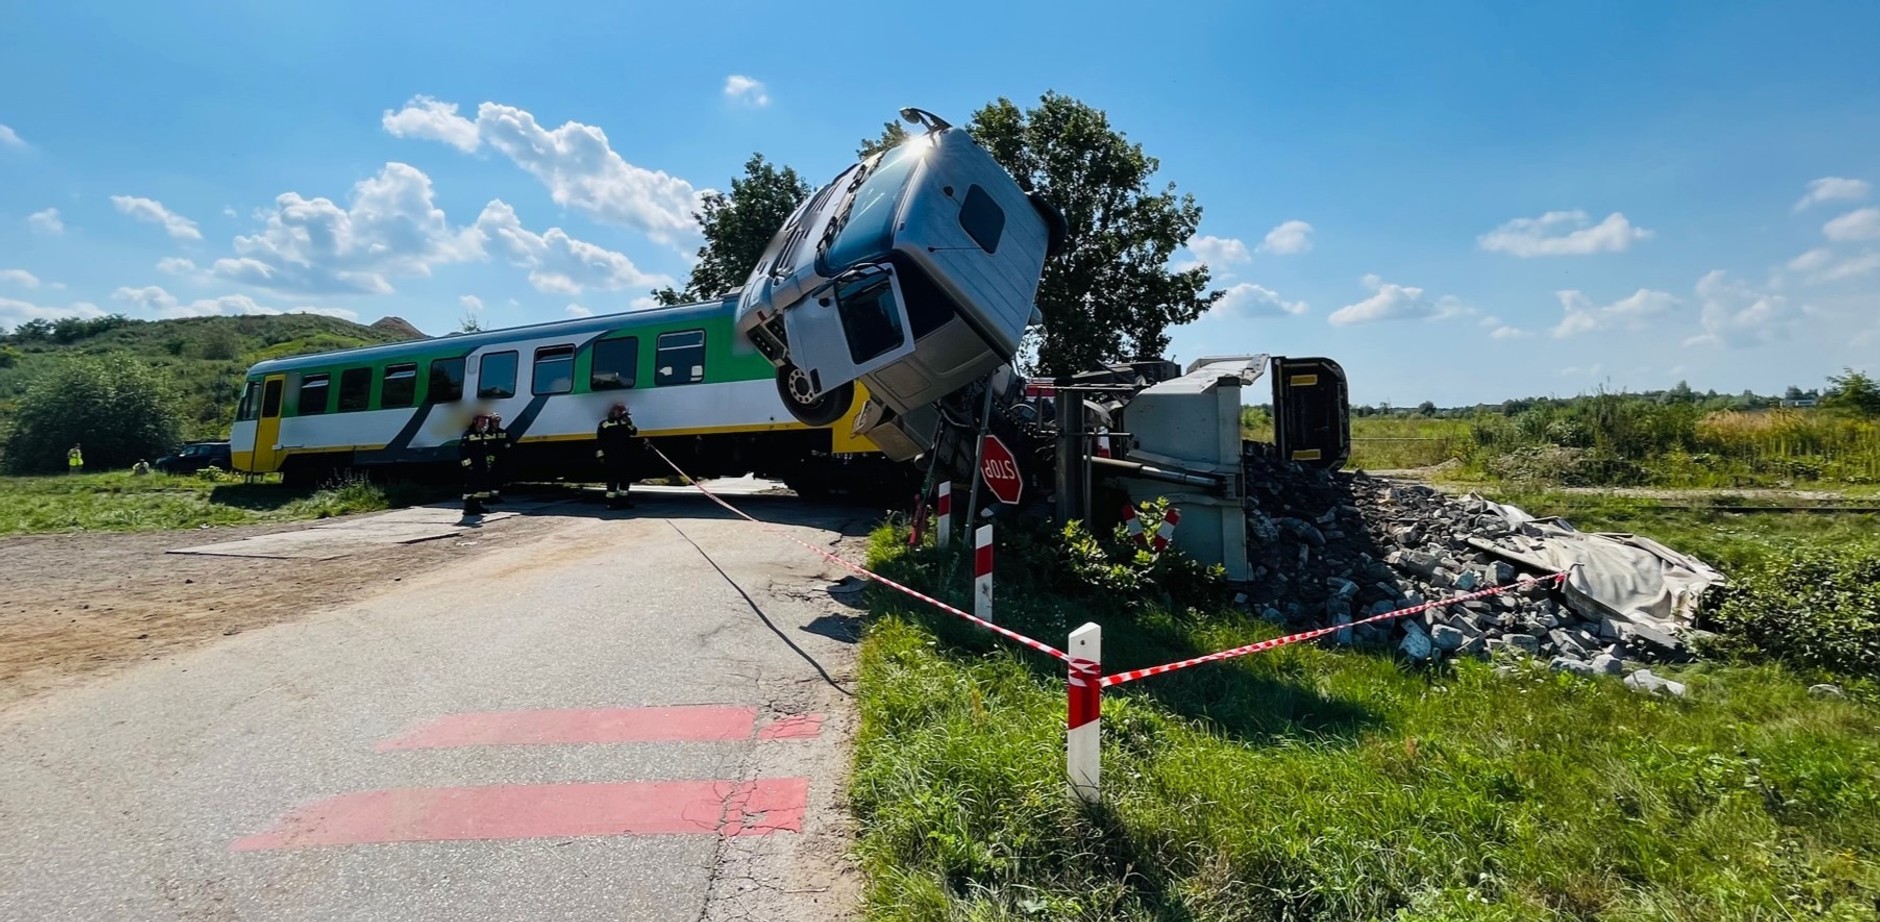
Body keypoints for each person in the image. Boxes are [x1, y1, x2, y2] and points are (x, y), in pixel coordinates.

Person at [595, 403, 639, 510]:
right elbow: (599, 442)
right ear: (612, 411)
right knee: (612, 480)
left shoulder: (625, 423)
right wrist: (600, 456)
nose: (620, 413)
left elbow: (634, 432)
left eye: (622, 411)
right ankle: (611, 503)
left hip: (625, 457)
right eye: (618, 411)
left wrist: (630, 423)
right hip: (611, 457)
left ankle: (624, 502)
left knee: (625, 480)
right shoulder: (605, 424)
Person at [459, 414, 494, 516]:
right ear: (475, 421)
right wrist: (468, 466)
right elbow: (463, 451)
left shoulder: (482, 434)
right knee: (470, 488)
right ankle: (468, 508)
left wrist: (488, 463)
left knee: (480, 488)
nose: (483, 423)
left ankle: (477, 506)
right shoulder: (468, 434)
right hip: (472, 466)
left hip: (481, 465)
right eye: (482, 421)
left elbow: (485, 450)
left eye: (484, 421)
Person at [485, 413, 510, 503]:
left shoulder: (502, 432)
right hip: (489, 461)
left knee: (498, 479)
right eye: (495, 421)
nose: (497, 423)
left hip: (500, 460)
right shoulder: (485, 434)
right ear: (490, 423)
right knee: (489, 479)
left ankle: (495, 496)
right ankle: (487, 498)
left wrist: (507, 447)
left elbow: (509, 442)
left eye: (498, 421)